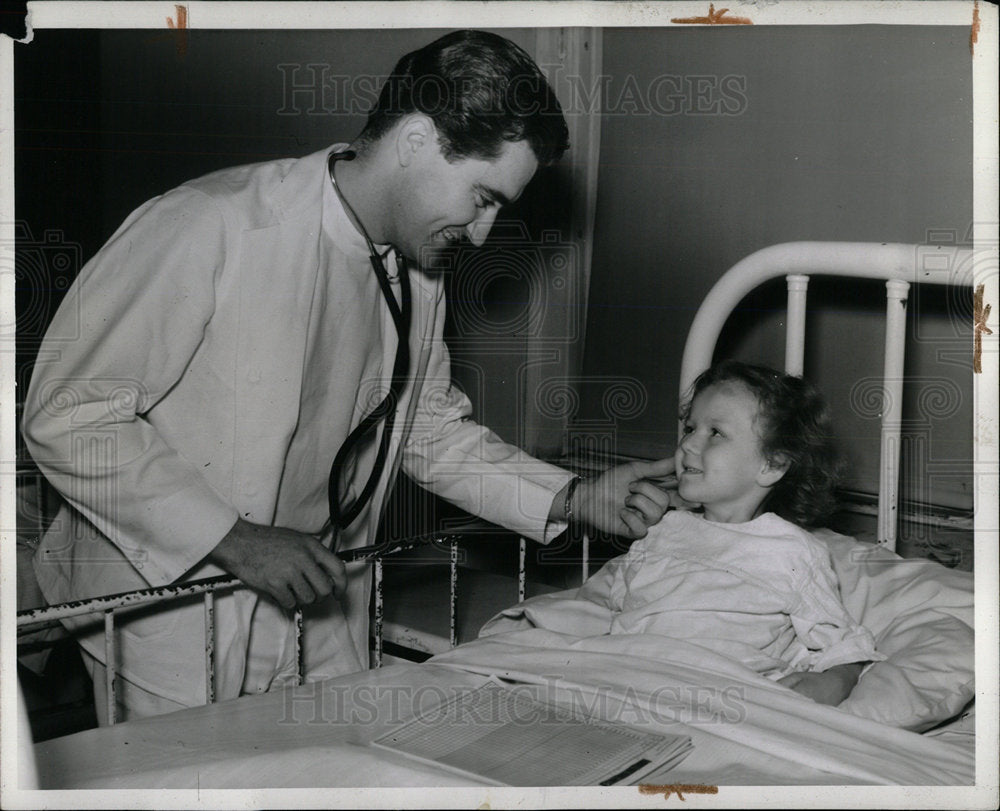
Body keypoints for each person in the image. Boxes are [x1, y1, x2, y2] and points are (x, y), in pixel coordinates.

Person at [22, 30, 675, 722]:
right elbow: (69, 414)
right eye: (483, 198)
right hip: (175, 604)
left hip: (316, 603)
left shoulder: (417, 273)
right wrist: (231, 538)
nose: (483, 234)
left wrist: (574, 498)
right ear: (418, 140)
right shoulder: (211, 226)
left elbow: (426, 432)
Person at [579, 360, 885, 706]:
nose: (689, 446)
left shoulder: (788, 551)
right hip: (631, 676)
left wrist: (836, 679)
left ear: (772, 465)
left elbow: (839, 639)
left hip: (720, 689)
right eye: (690, 428)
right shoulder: (662, 531)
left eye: (715, 433)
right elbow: (621, 612)